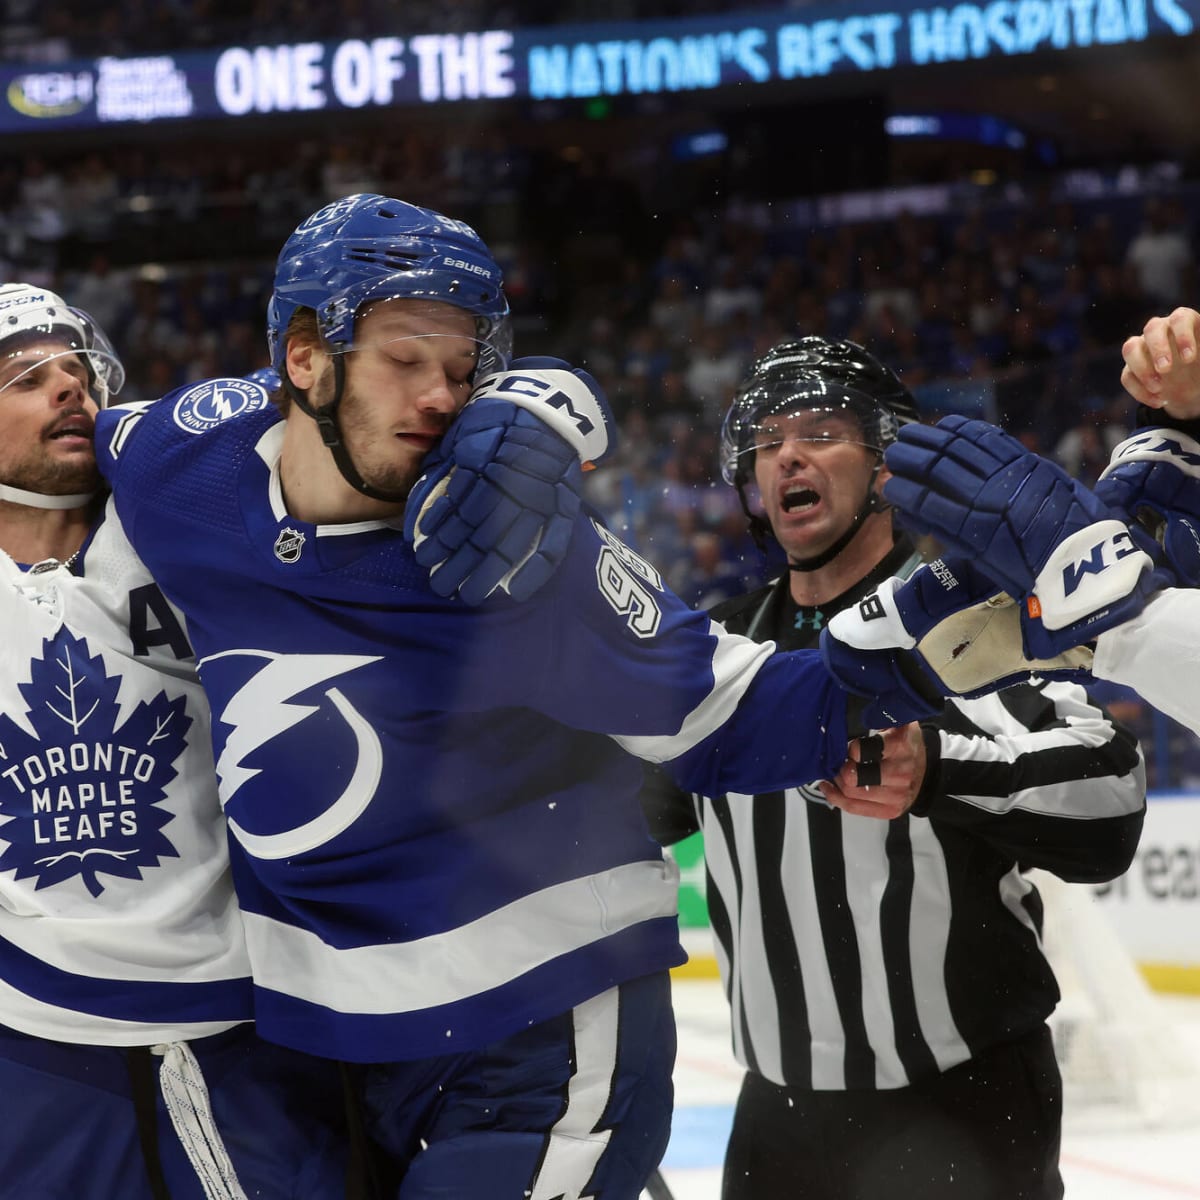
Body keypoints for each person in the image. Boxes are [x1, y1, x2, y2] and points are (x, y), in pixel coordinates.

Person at [85, 194, 938, 1199]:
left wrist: (915, 669)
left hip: (537, 1026)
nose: (443, 398)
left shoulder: (513, 544)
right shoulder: (178, 461)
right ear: (304, 356)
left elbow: (729, 710)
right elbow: (57, 453)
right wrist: (553, 390)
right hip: (329, 1041)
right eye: (406, 360)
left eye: (463, 370)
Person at [641, 338, 1145, 1200]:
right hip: (777, 1124)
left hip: (967, 1109)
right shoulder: (713, 650)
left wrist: (938, 769)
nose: (786, 454)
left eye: (819, 430)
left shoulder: (971, 615)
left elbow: (1111, 802)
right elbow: (616, 819)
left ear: (886, 464)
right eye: (766, 441)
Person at [0, 283, 350, 1199]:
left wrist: (526, 398)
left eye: (78, 372)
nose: (68, 389)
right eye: (27, 376)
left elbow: (348, 422)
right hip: (30, 1045)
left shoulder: (190, 520)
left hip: (244, 1022)